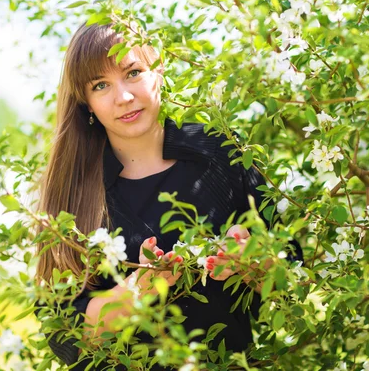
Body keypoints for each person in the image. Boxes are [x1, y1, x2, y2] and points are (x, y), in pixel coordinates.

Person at [34, 22, 303, 370]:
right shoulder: (74, 190)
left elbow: (292, 268)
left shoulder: (221, 152)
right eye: (101, 85)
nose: (124, 97)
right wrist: (136, 293)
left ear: (158, 70)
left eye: (133, 72)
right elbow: (61, 330)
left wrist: (251, 263)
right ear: (86, 104)